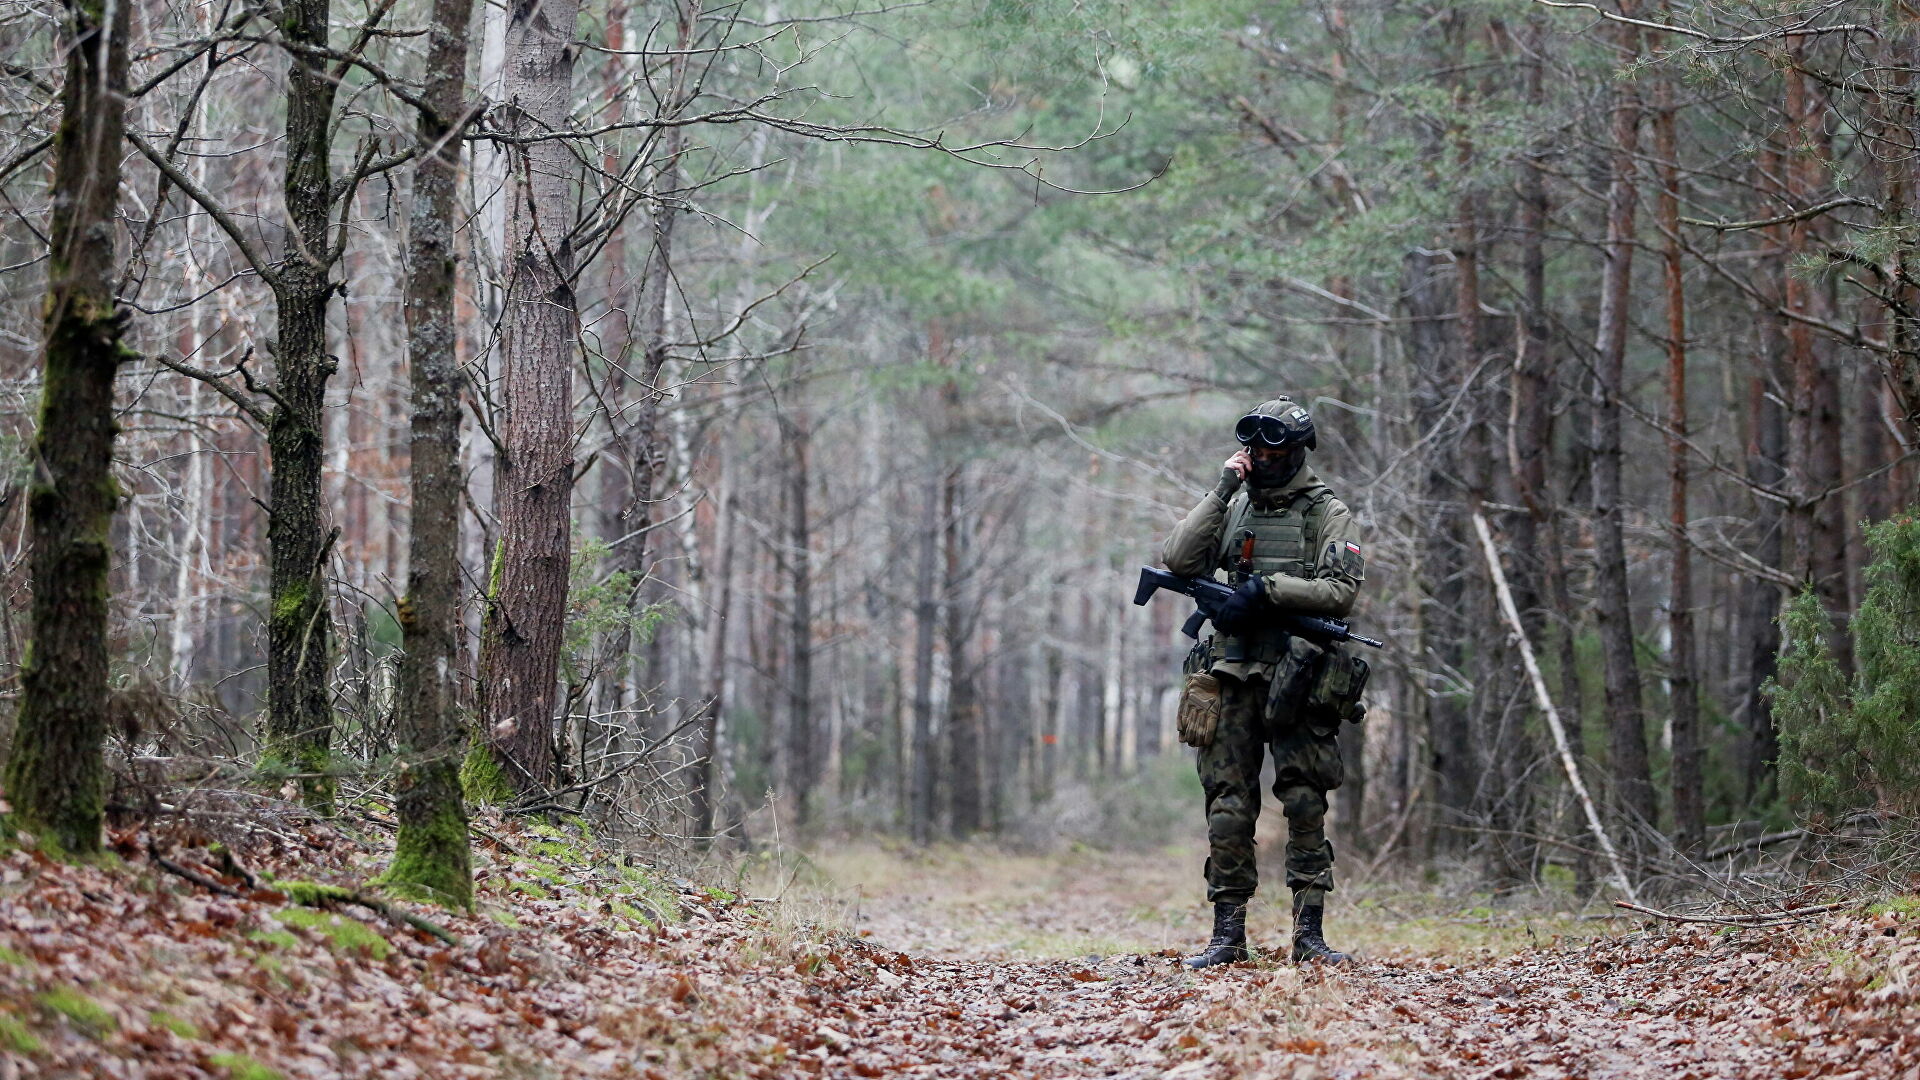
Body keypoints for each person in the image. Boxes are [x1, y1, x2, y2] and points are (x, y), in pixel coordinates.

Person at [1159, 397, 1366, 968]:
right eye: (1256, 449)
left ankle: (1309, 937)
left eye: (1276, 449)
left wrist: (1269, 591)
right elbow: (1178, 558)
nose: (1265, 458)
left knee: (1304, 800)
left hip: (1300, 675)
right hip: (1231, 672)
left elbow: (1340, 592)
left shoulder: (1327, 512)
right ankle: (1228, 936)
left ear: (1297, 451)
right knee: (1227, 805)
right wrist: (1224, 488)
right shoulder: (1234, 504)